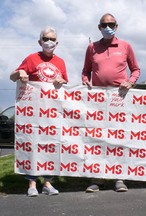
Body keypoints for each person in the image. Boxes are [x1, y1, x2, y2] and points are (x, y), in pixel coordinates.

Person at [81, 13, 140, 192]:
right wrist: (85, 80)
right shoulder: (92, 47)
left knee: (118, 138)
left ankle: (119, 178)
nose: (108, 27)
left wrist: (130, 82)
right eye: (104, 24)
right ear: (99, 27)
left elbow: (136, 69)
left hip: (119, 99)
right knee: (97, 138)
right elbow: (85, 71)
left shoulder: (125, 46)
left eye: (111, 24)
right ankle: (97, 178)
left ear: (116, 26)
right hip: (97, 100)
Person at [10, 26, 68, 197]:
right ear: (40, 41)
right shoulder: (31, 58)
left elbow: (65, 83)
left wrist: (61, 79)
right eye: (46, 38)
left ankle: (48, 183)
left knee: (50, 146)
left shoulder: (61, 62)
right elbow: (12, 77)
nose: (49, 42)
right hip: (33, 113)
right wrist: (20, 72)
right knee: (33, 145)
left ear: (57, 43)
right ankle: (32, 183)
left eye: (52, 39)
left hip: (52, 114)